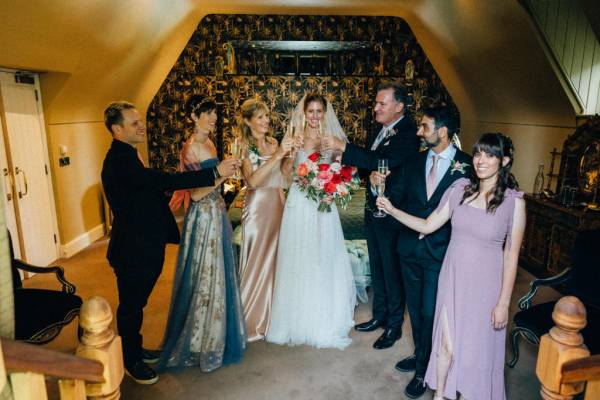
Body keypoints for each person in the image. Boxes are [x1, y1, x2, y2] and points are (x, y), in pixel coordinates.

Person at [377, 133, 525, 400]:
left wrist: (503, 303)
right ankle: (440, 395)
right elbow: (427, 225)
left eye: (489, 155)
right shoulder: (458, 190)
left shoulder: (513, 203)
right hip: (453, 277)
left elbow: (511, 256)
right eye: (478, 153)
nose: (480, 160)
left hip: (486, 286)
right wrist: (392, 209)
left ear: (504, 161)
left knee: (475, 351)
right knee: (446, 344)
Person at [101, 101, 239, 384]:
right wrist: (215, 173)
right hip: (132, 247)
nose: (142, 126)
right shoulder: (119, 160)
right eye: (134, 123)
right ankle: (131, 361)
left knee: (137, 304)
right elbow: (162, 180)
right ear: (116, 129)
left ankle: (135, 348)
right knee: (130, 306)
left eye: (140, 120)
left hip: (145, 242)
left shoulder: (128, 153)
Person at [375, 106, 471, 398]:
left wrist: (436, 229)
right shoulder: (413, 162)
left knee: (432, 312)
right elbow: (396, 197)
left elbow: (472, 214)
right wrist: (377, 186)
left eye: (425, 127)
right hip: (409, 249)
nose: (419, 131)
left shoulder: (468, 166)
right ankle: (421, 356)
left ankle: (424, 371)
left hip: (442, 253)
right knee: (415, 311)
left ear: (443, 131)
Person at [322, 81, 419, 349]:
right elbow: (371, 163)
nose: (375, 108)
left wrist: (344, 146)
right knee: (377, 266)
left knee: (392, 269)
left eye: (381, 104)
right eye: (376, 103)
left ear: (399, 107)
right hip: (373, 206)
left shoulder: (408, 133)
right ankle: (379, 316)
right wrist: (369, 173)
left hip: (393, 210)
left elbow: (385, 161)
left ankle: (394, 327)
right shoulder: (380, 129)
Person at [157, 96, 246, 372]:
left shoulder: (209, 143)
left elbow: (215, 182)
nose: (213, 119)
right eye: (207, 114)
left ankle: (216, 334)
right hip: (203, 216)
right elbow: (195, 194)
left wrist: (227, 172)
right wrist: (222, 174)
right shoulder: (190, 149)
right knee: (204, 278)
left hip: (217, 212)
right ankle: (198, 340)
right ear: (193, 117)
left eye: (214, 114)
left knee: (220, 274)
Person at [266, 93, 356, 349]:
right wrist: (288, 154)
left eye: (319, 111)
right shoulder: (293, 138)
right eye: (311, 111)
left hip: (323, 203)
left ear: (325, 113)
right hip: (298, 202)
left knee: (322, 255)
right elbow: (285, 175)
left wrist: (334, 187)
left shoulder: (332, 139)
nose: (315, 116)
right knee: (299, 255)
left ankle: (324, 314)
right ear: (303, 113)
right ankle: (298, 316)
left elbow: (344, 171)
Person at [238, 98, 294, 342]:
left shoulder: (273, 142)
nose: (266, 121)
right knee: (257, 261)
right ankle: (252, 318)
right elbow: (252, 181)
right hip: (258, 208)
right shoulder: (242, 146)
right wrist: (278, 154)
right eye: (260, 117)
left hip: (278, 202)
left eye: (266, 116)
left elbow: (284, 176)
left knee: (277, 260)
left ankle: (275, 316)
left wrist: (291, 156)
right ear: (248, 121)